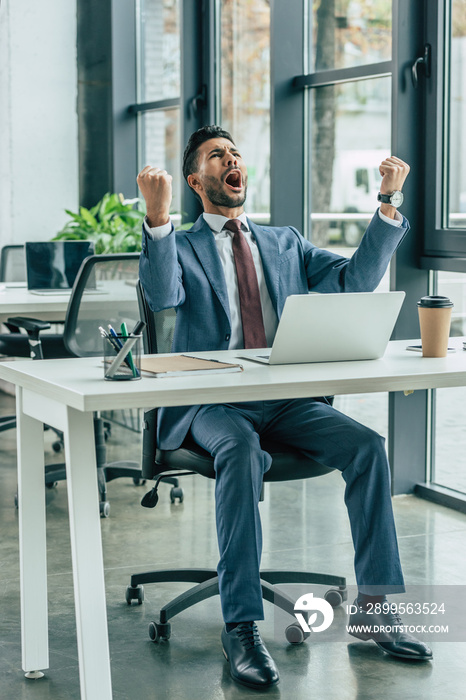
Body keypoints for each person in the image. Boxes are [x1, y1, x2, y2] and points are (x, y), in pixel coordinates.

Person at [138, 125, 432, 690]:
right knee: (243, 452)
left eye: (235, 154)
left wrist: (388, 205)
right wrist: (157, 222)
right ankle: (241, 625)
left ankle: (376, 611)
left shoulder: (285, 242)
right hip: (211, 402)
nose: (232, 160)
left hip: (284, 397)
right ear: (197, 181)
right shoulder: (184, 244)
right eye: (216, 156)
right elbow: (162, 296)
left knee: (367, 447)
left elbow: (354, 283)